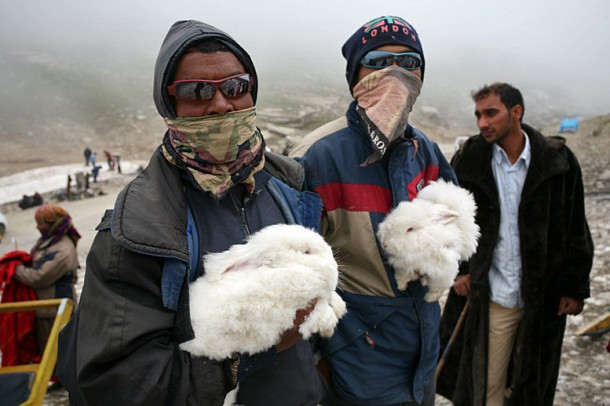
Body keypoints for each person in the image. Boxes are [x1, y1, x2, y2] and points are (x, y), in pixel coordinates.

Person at [56, 20, 325, 406]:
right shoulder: (136, 227)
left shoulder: (290, 185)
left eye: (235, 86)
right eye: (196, 91)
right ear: (170, 106)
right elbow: (121, 384)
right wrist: (254, 352)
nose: (220, 104)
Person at [291, 15, 458, 406]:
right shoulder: (316, 156)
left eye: (410, 63)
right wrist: (316, 364)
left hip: (421, 351)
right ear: (356, 77)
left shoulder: (426, 152)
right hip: (355, 361)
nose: (397, 75)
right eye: (380, 61)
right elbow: (291, 278)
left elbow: (457, 223)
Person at [436, 83, 594, 406]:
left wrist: (574, 287)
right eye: (478, 115)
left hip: (545, 299)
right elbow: (450, 222)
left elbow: (576, 227)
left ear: (516, 112)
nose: (482, 123)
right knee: (486, 389)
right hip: (495, 296)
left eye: (491, 113)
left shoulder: (558, 162)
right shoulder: (469, 161)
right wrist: (459, 271)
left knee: (531, 387)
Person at [14, 204, 80, 353]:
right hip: (45, 310)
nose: (38, 227)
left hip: (56, 312)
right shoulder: (48, 241)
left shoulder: (63, 250)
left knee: (58, 354)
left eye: (40, 223)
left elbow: (38, 277)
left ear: (53, 224)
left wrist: (15, 268)